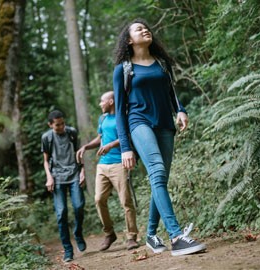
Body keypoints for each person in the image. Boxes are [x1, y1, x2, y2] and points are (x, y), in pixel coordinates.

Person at [112, 18, 207, 256]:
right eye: (138, 29)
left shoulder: (162, 64)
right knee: (156, 170)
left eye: (146, 27)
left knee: (160, 179)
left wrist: (181, 110)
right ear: (129, 40)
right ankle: (176, 237)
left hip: (165, 123)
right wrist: (125, 147)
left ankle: (151, 235)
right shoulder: (123, 69)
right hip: (139, 122)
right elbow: (120, 111)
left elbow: (171, 93)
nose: (145, 29)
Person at [76, 91, 140, 252]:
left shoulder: (122, 116)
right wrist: (86, 147)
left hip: (119, 163)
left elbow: (128, 135)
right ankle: (109, 233)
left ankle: (131, 237)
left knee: (125, 200)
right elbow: (100, 138)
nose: (100, 104)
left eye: (102, 101)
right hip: (102, 165)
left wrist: (111, 145)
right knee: (98, 199)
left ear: (111, 101)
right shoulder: (102, 118)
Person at [41, 110, 86, 262]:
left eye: (62, 123)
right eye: (57, 125)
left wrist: (83, 172)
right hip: (57, 178)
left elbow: (79, 153)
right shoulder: (47, 138)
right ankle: (68, 250)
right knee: (61, 213)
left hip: (74, 174)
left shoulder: (72, 132)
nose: (61, 127)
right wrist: (49, 177)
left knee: (79, 206)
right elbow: (46, 160)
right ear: (50, 125)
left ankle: (78, 233)